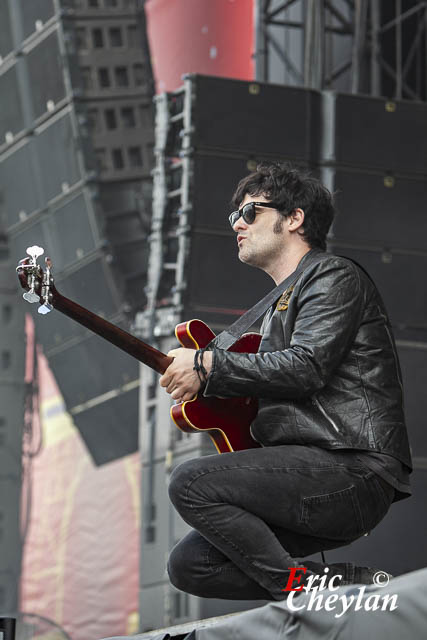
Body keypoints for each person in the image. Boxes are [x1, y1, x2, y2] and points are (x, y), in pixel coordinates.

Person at [159, 163, 412, 602]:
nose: (238, 223)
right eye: (234, 215)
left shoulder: (333, 275)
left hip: (352, 468)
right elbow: (273, 379)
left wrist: (208, 366)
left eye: (251, 211)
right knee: (191, 566)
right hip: (307, 472)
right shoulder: (275, 310)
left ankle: (301, 590)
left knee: (191, 482)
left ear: (294, 218)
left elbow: (306, 366)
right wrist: (210, 378)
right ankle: (342, 583)